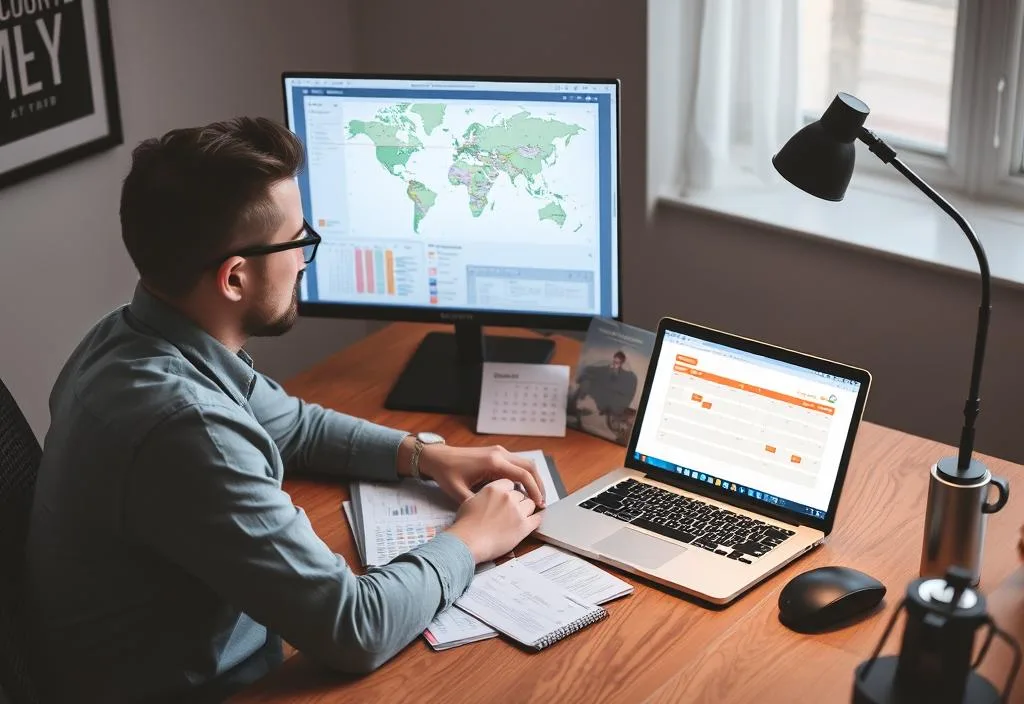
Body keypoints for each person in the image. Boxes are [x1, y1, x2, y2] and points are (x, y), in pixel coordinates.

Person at [25, 117, 547, 704]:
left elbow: (293, 424)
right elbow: (355, 628)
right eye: (298, 241)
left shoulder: (128, 334)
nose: (305, 259)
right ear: (234, 278)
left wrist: (425, 456)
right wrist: (471, 539)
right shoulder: (184, 427)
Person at [568, 350, 638, 423]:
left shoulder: (626, 376)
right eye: (614, 361)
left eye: (617, 363)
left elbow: (625, 388)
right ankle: (574, 408)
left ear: (621, 363)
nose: (614, 364)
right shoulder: (606, 369)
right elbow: (592, 370)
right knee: (585, 382)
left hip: (608, 400)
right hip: (599, 395)